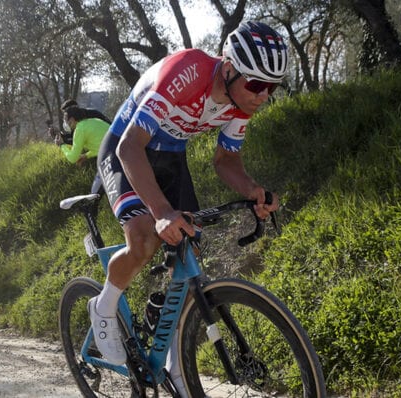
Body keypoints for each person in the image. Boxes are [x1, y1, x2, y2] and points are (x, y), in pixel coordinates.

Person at [89, 21, 287, 395]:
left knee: (189, 249)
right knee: (145, 238)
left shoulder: (241, 102)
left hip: (170, 158)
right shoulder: (189, 72)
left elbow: (226, 161)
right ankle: (104, 305)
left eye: (272, 88)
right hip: (126, 148)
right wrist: (162, 211)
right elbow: (129, 147)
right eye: (257, 85)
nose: (263, 96)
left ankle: (173, 363)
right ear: (228, 69)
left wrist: (253, 191)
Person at [55, 105, 109, 194]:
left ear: (72, 120)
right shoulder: (94, 121)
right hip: (118, 152)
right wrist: (86, 155)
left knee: (94, 193)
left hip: (111, 157)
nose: (64, 123)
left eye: (65, 120)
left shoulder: (79, 129)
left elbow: (73, 158)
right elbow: (100, 146)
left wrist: (62, 145)